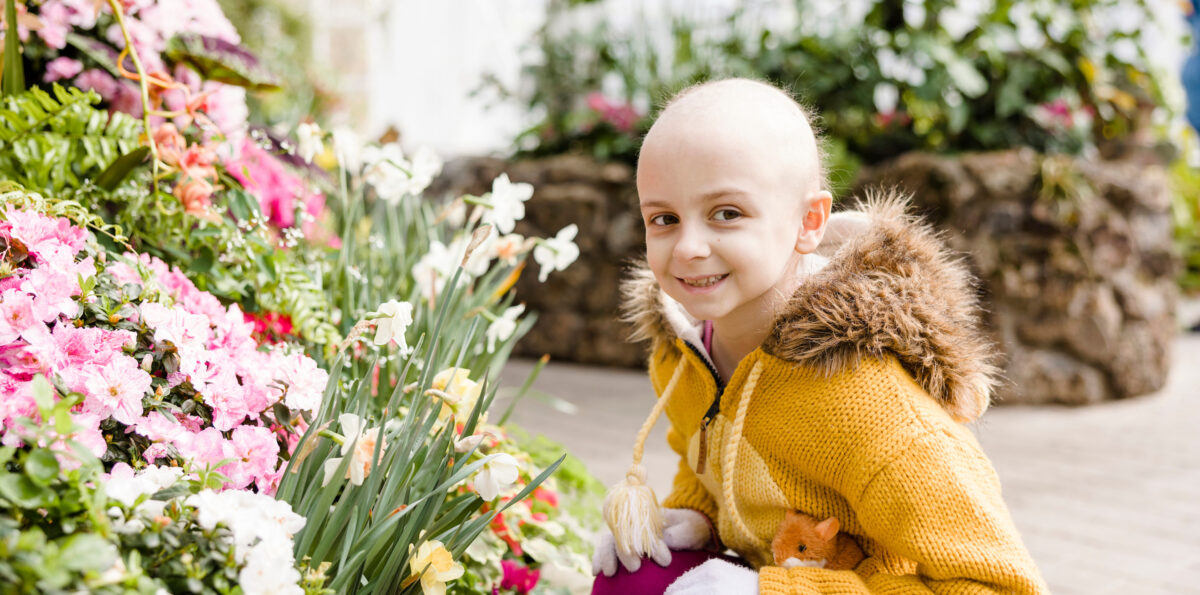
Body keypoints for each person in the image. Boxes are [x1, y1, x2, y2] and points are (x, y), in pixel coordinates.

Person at [591, 78, 1048, 594]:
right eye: (665, 218)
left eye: (727, 213)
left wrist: (774, 592)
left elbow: (1002, 586)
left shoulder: (874, 408)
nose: (689, 247)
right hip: (779, 568)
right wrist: (693, 518)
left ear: (809, 222)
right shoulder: (683, 356)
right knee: (634, 578)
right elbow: (708, 460)